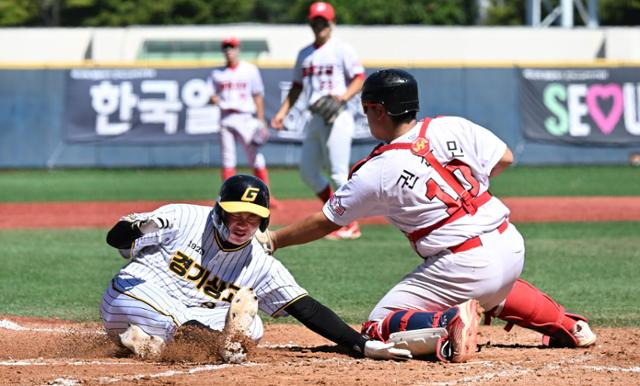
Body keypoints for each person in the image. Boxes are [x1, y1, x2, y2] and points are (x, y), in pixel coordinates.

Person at [261, 69, 597, 362]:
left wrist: (274, 238)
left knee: (377, 326)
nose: (366, 116)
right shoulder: (451, 125)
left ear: (379, 110)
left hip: (463, 262)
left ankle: (450, 322)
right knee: (492, 290)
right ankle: (571, 326)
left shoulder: (376, 170)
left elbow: (327, 221)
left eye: (367, 110)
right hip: (510, 243)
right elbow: (505, 158)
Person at [100, 174, 415, 362]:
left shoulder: (259, 263)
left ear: (263, 220)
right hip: (134, 296)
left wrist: (361, 344)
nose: (243, 224)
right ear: (220, 211)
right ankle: (207, 342)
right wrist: (140, 228)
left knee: (254, 328)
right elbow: (116, 240)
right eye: (236, 214)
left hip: (190, 315)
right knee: (181, 319)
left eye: (252, 217)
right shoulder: (184, 218)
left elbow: (307, 308)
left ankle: (150, 346)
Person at [271, 1, 364, 239]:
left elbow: (359, 78)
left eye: (323, 21)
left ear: (332, 23)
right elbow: (296, 86)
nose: (319, 25)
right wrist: (282, 112)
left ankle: (350, 224)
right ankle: (336, 214)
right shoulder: (305, 54)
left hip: (337, 115)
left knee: (338, 173)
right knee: (308, 171)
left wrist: (343, 97)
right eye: (315, 21)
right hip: (315, 116)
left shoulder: (342, 49)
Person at [208, 36, 280, 208]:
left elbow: (257, 95)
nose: (228, 51)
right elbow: (211, 95)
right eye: (225, 47)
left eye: (231, 47)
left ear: (238, 49)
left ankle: (267, 195)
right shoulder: (217, 74)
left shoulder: (249, 70)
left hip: (245, 117)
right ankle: (226, 197)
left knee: (254, 158)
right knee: (227, 159)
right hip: (226, 118)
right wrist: (214, 99)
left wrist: (261, 120)